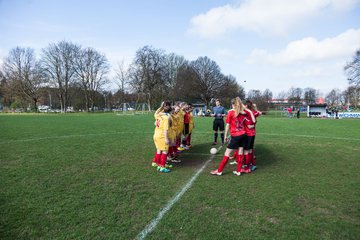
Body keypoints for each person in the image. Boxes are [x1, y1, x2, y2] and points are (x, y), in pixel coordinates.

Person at [210, 97, 254, 176]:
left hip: (236, 135)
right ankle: (238, 171)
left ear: (233, 104)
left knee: (227, 153)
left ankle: (219, 171)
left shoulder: (231, 112)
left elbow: (227, 125)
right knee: (240, 152)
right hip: (244, 134)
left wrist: (225, 135)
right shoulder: (244, 112)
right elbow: (252, 121)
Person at [151, 101, 173, 173]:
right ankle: (162, 167)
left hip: (156, 134)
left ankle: (158, 165)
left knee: (158, 150)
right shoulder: (166, 118)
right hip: (162, 136)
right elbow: (165, 129)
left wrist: (161, 106)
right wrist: (166, 139)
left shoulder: (158, 115)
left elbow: (156, 112)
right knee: (164, 151)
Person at [243, 100, 260, 172]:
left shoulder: (247, 113)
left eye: (243, 105)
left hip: (248, 134)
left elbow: (251, 123)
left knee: (246, 150)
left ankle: (247, 166)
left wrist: (250, 125)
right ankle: (252, 165)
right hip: (252, 133)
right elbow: (256, 118)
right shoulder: (251, 112)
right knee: (250, 150)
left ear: (246, 105)